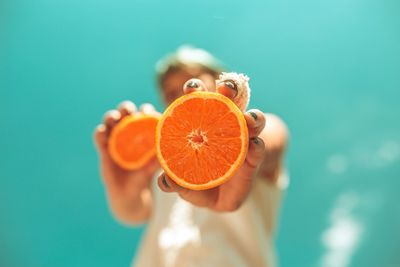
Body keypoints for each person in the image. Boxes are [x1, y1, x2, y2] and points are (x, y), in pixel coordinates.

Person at [94, 46, 289, 267]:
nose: (181, 94)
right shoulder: (164, 169)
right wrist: (124, 190)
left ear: (219, 80)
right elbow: (133, 212)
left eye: (192, 80)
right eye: (170, 94)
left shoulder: (257, 130)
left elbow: (273, 140)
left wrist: (239, 147)